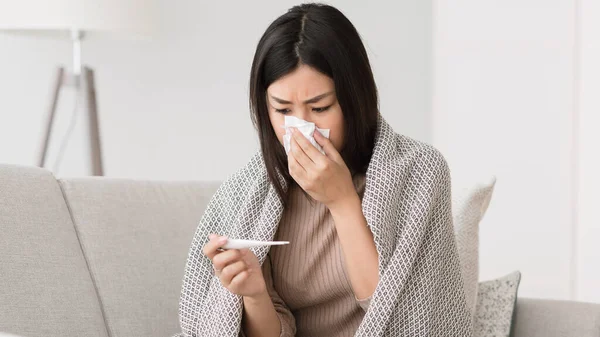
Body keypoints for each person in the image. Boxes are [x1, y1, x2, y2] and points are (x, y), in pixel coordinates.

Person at [175, 3, 473, 337]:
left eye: (320, 107)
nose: (300, 127)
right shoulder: (249, 193)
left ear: (354, 98)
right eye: (283, 109)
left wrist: (342, 200)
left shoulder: (418, 172)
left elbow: (401, 318)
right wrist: (254, 293)